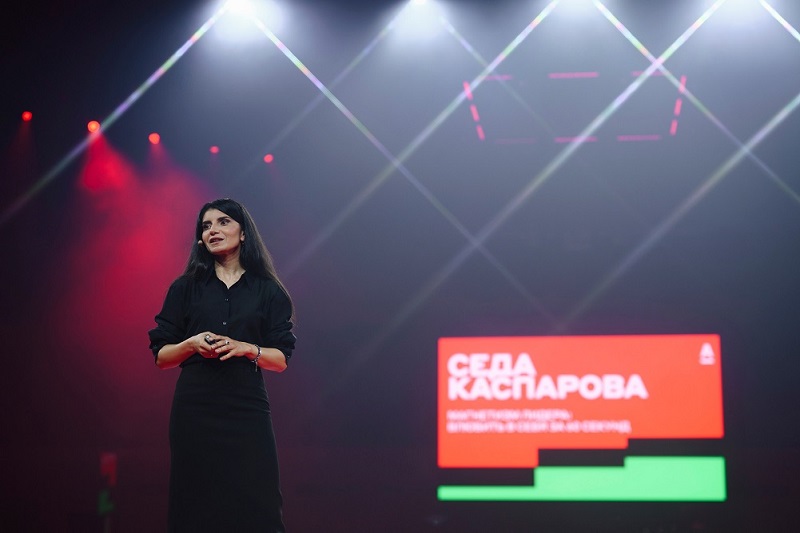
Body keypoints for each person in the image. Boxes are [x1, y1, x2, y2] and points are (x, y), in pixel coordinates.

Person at [148, 198, 296, 532]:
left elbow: (281, 360)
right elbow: (161, 357)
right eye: (206, 226)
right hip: (195, 408)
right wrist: (190, 344)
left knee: (259, 503)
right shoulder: (185, 288)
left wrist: (246, 348)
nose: (213, 230)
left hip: (247, 408)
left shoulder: (268, 291)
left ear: (243, 233)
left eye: (223, 222)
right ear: (201, 240)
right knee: (195, 503)